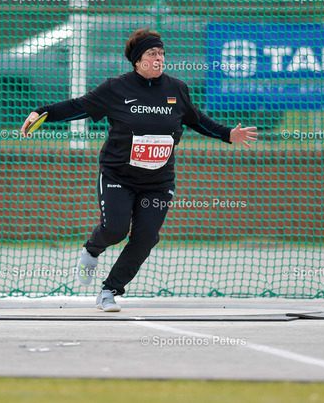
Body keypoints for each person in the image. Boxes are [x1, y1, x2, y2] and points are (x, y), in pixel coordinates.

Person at [21, 28, 257, 312]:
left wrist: (228, 134)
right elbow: (78, 107)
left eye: (161, 53)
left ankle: (109, 291)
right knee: (115, 229)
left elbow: (197, 120)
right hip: (118, 176)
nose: (159, 58)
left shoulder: (176, 89)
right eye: (152, 53)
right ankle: (92, 250)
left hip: (158, 182)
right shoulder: (116, 88)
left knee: (146, 237)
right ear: (137, 60)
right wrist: (42, 112)